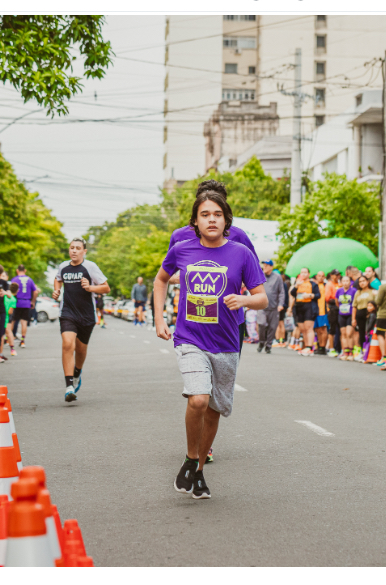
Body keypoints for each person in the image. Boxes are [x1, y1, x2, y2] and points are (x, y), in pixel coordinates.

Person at [154, 189, 267, 500]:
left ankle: (198, 469)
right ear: (195, 220)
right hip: (190, 338)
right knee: (199, 400)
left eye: (217, 214)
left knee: (215, 410)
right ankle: (191, 457)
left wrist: (245, 299)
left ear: (226, 219)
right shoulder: (181, 248)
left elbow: (262, 297)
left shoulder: (241, 253)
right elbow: (161, 278)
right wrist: (159, 319)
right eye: (205, 214)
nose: (211, 219)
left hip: (227, 342)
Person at [167, 180, 260, 354]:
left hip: (229, 320)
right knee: (198, 375)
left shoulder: (238, 236)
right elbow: (167, 276)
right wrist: (196, 275)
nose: (212, 218)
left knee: (224, 379)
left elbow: (253, 276)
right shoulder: (179, 236)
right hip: (192, 321)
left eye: (218, 210)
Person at [53, 238, 110, 402]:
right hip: (67, 312)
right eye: (72, 248)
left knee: (81, 349)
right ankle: (69, 385)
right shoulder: (63, 266)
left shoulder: (90, 267)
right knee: (67, 343)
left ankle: (77, 372)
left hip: (86, 315)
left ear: (84, 251)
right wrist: (56, 290)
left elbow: (106, 287)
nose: (74, 250)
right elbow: (57, 279)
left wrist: (90, 287)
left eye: (78, 248)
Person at [287, 268, 320, 357]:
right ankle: (306, 346)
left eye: (305, 272)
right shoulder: (298, 283)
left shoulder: (313, 284)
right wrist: (296, 286)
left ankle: (310, 347)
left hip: (309, 306)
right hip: (299, 307)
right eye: (302, 272)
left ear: (309, 274)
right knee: (302, 328)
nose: (303, 274)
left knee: (309, 327)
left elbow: (318, 295)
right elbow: (292, 293)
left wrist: (310, 295)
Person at [256, 260, 285, 354]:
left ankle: (268, 346)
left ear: (271, 267)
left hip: (274, 306)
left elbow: (281, 292)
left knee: (273, 327)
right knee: (262, 324)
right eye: (264, 265)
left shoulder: (277, 277)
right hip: (262, 306)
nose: (265, 267)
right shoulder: (260, 275)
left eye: (267, 265)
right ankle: (261, 342)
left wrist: (281, 304)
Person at [9, 265, 36, 348]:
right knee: (24, 322)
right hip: (26, 303)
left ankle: (9, 338)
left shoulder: (14, 279)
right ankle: (23, 341)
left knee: (13, 321)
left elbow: (10, 290)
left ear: (17, 270)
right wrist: (33, 301)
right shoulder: (30, 280)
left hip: (16, 303)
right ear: (25, 270)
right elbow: (35, 291)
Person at [352, 274, 376, 360]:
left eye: (363, 281)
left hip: (370, 315)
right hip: (359, 314)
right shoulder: (358, 292)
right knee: (361, 334)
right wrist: (353, 319)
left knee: (369, 333)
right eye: (360, 282)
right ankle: (362, 352)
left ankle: (370, 352)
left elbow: (375, 304)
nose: (362, 283)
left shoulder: (372, 291)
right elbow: (354, 306)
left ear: (367, 282)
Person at [335, 275, 357, 360]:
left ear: (350, 282)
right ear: (341, 282)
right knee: (343, 334)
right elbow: (337, 302)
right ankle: (345, 352)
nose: (345, 283)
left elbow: (355, 302)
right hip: (341, 314)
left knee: (349, 333)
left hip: (350, 314)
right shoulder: (339, 291)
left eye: (347, 281)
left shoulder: (353, 291)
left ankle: (351, 353)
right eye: (343, 281)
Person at [324, 270, 341, 356]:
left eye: (339, 274)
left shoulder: (340, 284)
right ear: (332, 275)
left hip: (341, 309)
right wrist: (338, 300)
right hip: (332, 309)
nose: (338, 276)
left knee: (340, 329)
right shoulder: (329, 284)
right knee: (332, 329)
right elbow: (327, 298)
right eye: (336, 275)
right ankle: (331, 348)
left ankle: (339, 347)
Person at [313, 271, 329, 355]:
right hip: (315, 310)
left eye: (322, 276)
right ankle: (320, 346)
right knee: (318, 330)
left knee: (323, 329)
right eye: (319, 276)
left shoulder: (326, 286)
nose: (320, 277)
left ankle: (323, 347)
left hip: (323, 310)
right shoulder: (314, 286)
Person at [274, 272, 291, 347]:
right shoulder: (284, 284)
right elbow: (286, 296)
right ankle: (282, 340)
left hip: (278, 306)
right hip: (283, 305)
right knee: (281, 323)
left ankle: (278, 340)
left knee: (277, 323)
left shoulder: (278, 284)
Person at [4, 282, 19, 356]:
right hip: (7, 317)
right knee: (9, 332)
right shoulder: (13, 299)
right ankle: (12, 349)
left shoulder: (4, 296)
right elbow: (10, 312)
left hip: (0, 315)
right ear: (17, 290)